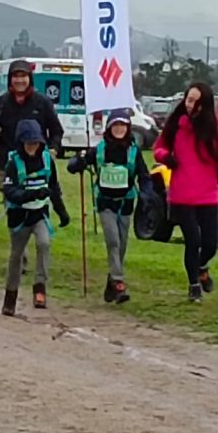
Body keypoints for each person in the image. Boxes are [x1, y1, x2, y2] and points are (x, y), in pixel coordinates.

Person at [153, 82, 218, 304]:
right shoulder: (175, 125)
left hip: (208, 194)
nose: (190, 104)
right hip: (181, 194)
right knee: (193, 240)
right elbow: (158, 148)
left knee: (211, 243)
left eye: (195, 101)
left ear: (205, 105)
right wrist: (166, 157)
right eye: (188, 99)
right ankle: (194, 285)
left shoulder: (217, 128)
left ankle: (202, 267)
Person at [68, 108, 154, 305]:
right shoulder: (100, 149)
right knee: (113, 241)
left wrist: (147, 193)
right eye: (115, 125)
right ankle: (119, 281)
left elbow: (144, 175)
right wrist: (77, 162)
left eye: (123, 125)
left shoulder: (133, 151)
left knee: (122, 245)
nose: (119, 129)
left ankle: (111, 283)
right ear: (109, 127)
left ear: (128, 127)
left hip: (125, 204)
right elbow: (76, 165)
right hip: (105, 203)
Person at [0, 120, 70, 316]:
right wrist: (31, 194)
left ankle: (40, 287)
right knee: (16, 256)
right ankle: (10, 296)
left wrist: (61, 212)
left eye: (36, 143)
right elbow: (9, 191)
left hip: (40, 215)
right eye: (28, 143)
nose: (33, 147)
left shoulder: (48, 160)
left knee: (44, 244)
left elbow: (53, 188)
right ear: (21, 143)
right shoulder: (13, 163)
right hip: (19, 217)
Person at [0, 59, 64, 176]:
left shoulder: (42, 102)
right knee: (12, 194)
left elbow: (57, 131)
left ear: (30, 78)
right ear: (10, 79)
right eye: (15, 76)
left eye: (23, 76)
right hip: (8, 167)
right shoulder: (1, 103)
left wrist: (53, 149)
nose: (19, 80)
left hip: (38, 166)